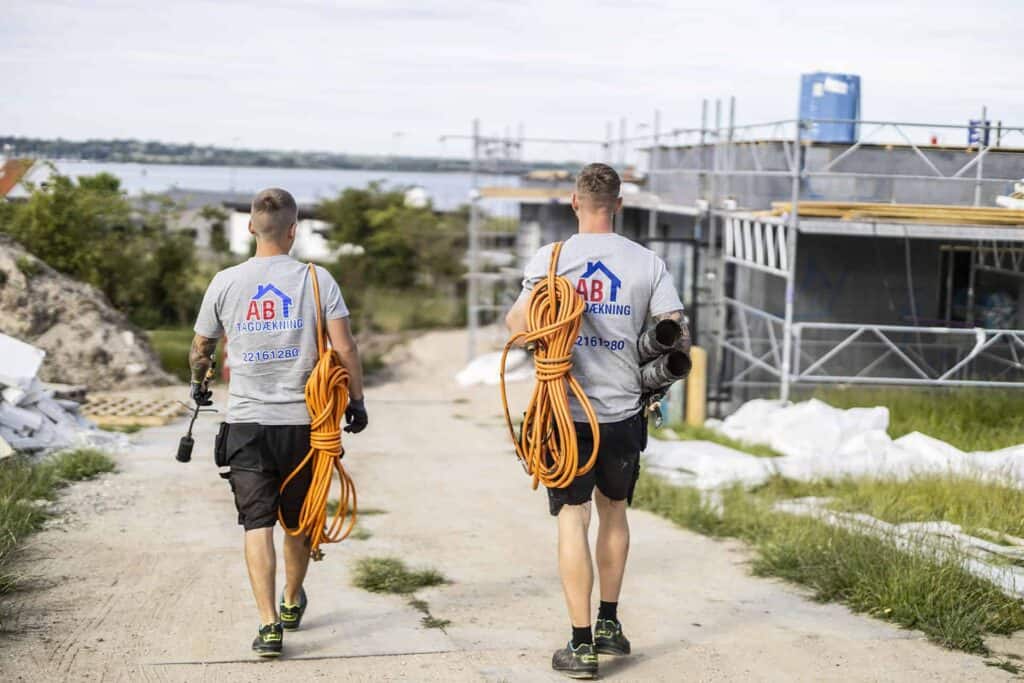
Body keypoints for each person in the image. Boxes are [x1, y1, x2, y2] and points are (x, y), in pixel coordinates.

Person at [505, 163, 687, 679]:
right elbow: (675, 331)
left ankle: (580, 645)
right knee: (614, 513)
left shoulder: (552, 258)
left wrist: (559, 320)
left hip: (564, 413)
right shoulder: (647, 262)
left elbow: (517, 326)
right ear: (619, 205)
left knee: (573, 519)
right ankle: (609, 621)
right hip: (623, 411)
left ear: (574, 202)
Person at [189, 187, 368, 657]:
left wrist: (198, 383)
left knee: (256, 523)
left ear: (251, 227)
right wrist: (356, 400)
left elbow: (201, 348)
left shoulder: (225, 281)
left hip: (246, 424)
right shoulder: (317, 280)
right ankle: (291, 600)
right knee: (298, 522)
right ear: (293, 231)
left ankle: (269, 626)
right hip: (304, 426)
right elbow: (345, 347)